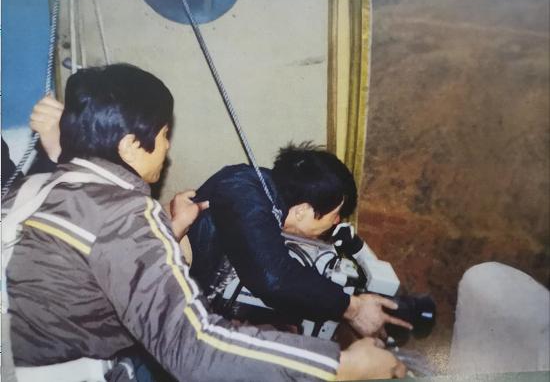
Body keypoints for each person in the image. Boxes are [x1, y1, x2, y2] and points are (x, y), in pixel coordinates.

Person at [3, 63, 406, 381]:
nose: (167, 147)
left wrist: (172, 229)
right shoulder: (227, 190)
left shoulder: (37, 185)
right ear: (130, 145)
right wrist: (340, 364)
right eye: (164, 134)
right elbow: (196, 343)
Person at [187, 142, 413, 337]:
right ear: (302, 211)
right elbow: (274, 277)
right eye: (335, 215)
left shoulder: (264, 197)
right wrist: (353, 309)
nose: (336, 222)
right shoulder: (241, 190)